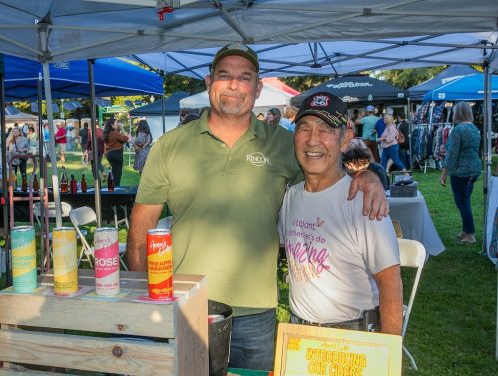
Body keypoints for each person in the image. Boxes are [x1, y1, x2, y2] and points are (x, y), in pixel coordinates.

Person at [126, 43, 388, 371]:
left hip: (256, 312)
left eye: (244, 77)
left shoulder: (282, 144)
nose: (234, 85)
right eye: (225, 75)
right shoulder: (170, 146)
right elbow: (141, 224)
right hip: (184, 306)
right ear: (208, 83)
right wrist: (141, 301)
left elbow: (325, 173)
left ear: (257, 88)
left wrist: (365, 177)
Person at [278, 91, 402, 335]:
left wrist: (389, 356)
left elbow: (390, 282)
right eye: (304, 128)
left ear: (345, 139)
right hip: (299, 333)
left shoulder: (362, 200)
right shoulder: (290, 197)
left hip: (350, 336)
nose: (313, 140)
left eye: (325, 130)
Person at [440, 102, 481, 245]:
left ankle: (470, 234)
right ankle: (466, 231)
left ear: (457, 113)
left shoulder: (458, 130)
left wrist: (444, 173)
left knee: (463, 203)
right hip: (474, 170)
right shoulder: (474, 128)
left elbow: (452, 154)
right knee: (466, 202)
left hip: (461, 171)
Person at [103, 118, 131, 186]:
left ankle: (111, 187)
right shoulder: (115, 133)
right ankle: (116, 190)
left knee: (114, 172)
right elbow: (127, 139)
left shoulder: (108, 132)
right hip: (116, 154)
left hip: (109, 154)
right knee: (117, 174)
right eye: (116, 123)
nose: (117, 124)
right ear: (112, 125)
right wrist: (122, 128)